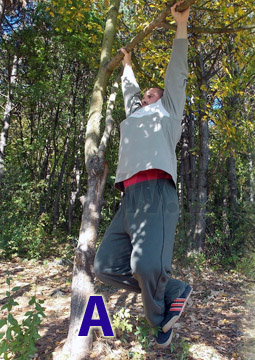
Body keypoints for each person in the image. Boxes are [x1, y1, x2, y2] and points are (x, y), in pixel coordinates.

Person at [93, 1, 192, 348]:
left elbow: (175, 73)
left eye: (155, 93)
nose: (149, 93)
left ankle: (159, 325)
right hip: (129, 198)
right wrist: (127, 64)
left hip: (156, 191)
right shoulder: (135, 114)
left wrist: (181, 26)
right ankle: (173, 290)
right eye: (146, 93)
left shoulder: (168, 111)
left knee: (147, 267)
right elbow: (129, 91)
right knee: (104, 266)